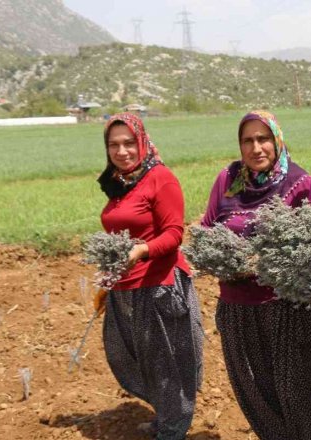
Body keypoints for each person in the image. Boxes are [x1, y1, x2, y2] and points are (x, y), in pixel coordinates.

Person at [199, 111, 311, 439]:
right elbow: (207, 227)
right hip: (236, 308)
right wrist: (216, 254)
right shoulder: (228, 179)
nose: (256, 147)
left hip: (287, 311)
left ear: (277, 141)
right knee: (256, 392)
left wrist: (263, 261)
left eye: (264, 139)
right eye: (248, 140)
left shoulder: (299, 184)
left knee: (302, 396)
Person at [94, 113, 203, 439]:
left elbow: (173, 235)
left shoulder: (160, 178)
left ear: (142, 141)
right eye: (114, 144)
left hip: (160, 286)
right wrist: (108, 276)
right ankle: (165, 416)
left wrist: (139, 252)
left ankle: (172, 430)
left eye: (129, 142)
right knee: (135, 359)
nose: (122, 151)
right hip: (125, 287)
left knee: (168, 365)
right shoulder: (120, 183)